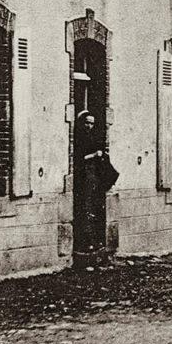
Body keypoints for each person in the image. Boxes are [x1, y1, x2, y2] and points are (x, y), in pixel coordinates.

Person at [72, 111, 118, 266]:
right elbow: (78, 158)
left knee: (95, 208)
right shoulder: (78, 139)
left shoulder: (94, 137)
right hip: (84, 178)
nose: (89, 126)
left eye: (92, 123)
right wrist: (94, 155)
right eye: (87, 123)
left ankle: (95, 241)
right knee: (85, 208)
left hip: (94, 177)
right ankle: (86, 243)